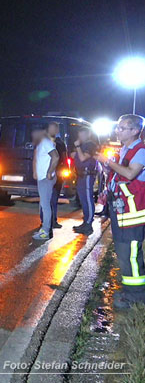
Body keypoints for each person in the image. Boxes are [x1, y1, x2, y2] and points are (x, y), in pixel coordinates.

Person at [95, 114, 145, 309]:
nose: (118, 130)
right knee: (124, 252)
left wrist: (107, 162)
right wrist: (106, 194)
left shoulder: (140, 150)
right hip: (121, 209)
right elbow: (116, 177)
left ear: (135, 131)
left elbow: (130, 173)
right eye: (118, 127)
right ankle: (130, 289)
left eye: (123, 128)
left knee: (131, 253)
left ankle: (136, 295)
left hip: (133, 211)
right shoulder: (125, 149)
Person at [32, 125, 59, 240]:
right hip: (42, 178)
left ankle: (45, 232)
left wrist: (49, 172)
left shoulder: (45, 142)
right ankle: (45, 229)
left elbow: (56, 157)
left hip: (45, 179)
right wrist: (35, 171)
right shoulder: (42, 143)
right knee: (44, 204)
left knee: (45, 205)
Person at [71, 127, 99, 235]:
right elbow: (75, 156)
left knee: (88, 199)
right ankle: (85, 222)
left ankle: (88, 224)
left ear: (88, 134)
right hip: (80, 175)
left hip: (87, 175)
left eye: (82, 134)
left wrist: (77, 147)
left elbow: (83, 158)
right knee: (83, 200)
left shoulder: (90, 145)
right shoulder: (83, 145)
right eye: (79, 134)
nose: (80, 136)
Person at [47, 122, 67, 229]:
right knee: (53, 198)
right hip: (56, 174)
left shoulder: (44, 142)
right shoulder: (60, 143)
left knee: (47, 199)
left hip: (48, 174)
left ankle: (46, 221)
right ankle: (52, 221)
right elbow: (63, 158)